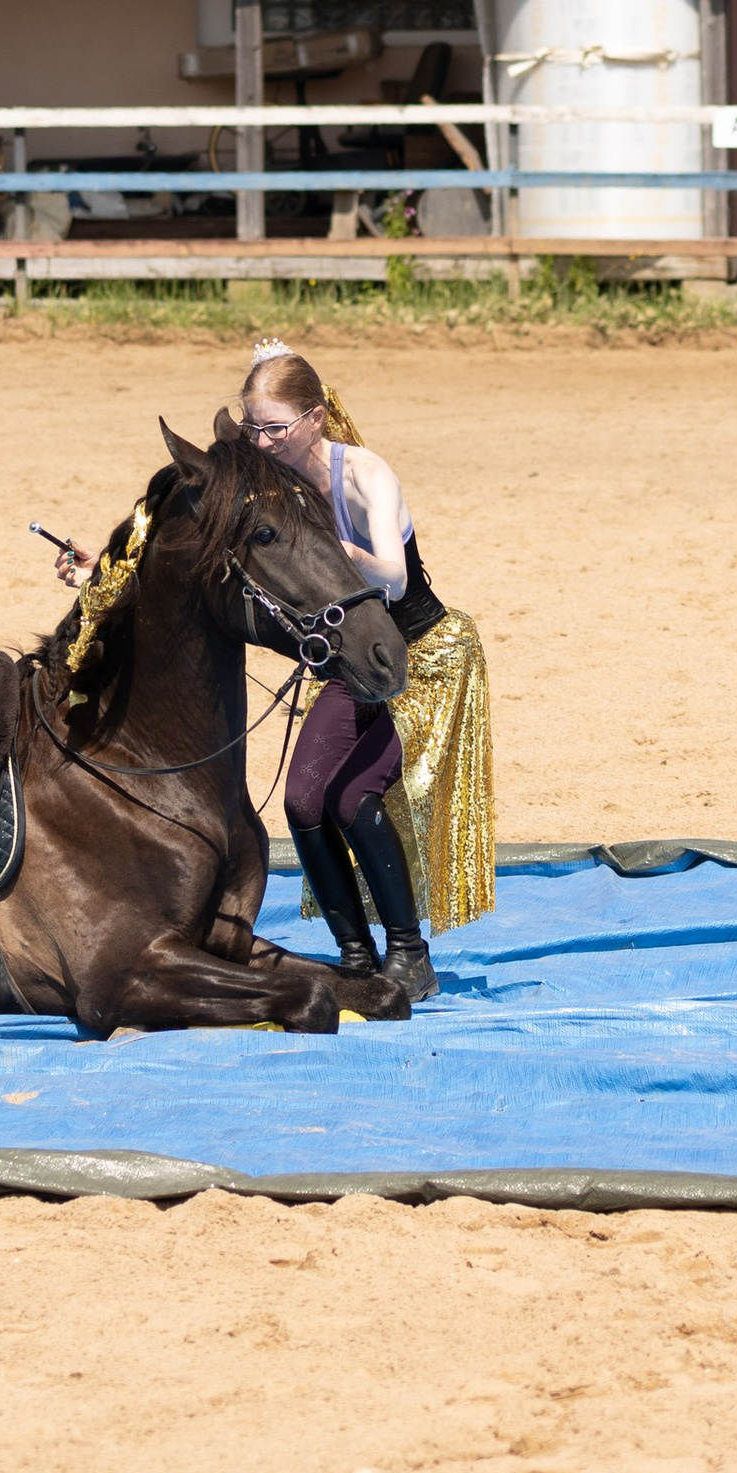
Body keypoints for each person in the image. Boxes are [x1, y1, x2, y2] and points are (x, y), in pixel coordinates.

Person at [239, 339, 494, 1002]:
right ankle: (355, 955)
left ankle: (410, 955)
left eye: (274, 428)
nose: (262, 442)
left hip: (424, 656)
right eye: (253, 428)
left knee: (353, 797)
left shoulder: (365, 474)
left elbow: (392, 573)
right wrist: (106, 566)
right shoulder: (274, 484)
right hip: (356, 663)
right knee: (301, 800)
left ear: (315, 418)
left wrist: (325, 549)